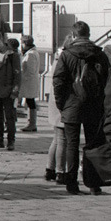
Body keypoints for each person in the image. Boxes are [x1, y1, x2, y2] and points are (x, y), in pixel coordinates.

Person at [52, 21, 109, 195]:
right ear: (89, 34)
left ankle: (71, 184)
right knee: (93, 143)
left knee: (71, 145)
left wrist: (61, 103)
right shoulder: (99, 54)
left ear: (74, 35)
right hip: (94, 105)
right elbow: (106, 78)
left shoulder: (67, 54)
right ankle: (93, 184)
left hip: (71, 104)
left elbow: (58, 81)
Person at [45, 39, 71, 184]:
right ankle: (61, 172)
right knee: (62, 139)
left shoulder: (57, 58)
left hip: (55, 102)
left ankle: (50, 169)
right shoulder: (64, 60)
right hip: (61, 103)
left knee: (57, 138)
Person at [19, 35, 41, 132]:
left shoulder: (31, 54)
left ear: (25, 43)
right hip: (29, 82)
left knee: (30, 102)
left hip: (29, 82)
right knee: (29, 101)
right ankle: (31, 122)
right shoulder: (31, 53)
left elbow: (30, 70)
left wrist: (23, 77)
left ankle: (32, 123)